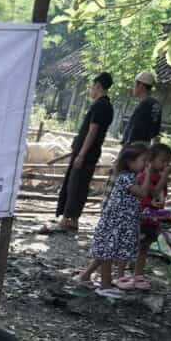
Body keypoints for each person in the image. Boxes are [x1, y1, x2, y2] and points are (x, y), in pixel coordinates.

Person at [75, 142, 153, 297]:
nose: (146, 164)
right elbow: (143, 193)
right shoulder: (126, 178)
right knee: (108, 254)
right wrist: (149, 174)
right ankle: (104, 285)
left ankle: (84, 276)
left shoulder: (129, 176)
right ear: (130, 162)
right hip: (115, 223)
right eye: (143, 160)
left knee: (105, 252)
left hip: (119, 222)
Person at [42, 72, 115, 234]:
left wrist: (81, 154)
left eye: (92, 86)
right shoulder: (109, 107)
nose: (91, 90)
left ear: (98, 86)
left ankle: (66, 219)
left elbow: (92, 131)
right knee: (81, 185)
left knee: (75, 184)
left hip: (86, 151)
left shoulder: (99, 105)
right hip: (93, 151)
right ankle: (73, 220)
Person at [116, 142, 171, 291]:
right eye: (163, 160)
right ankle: (120, 275)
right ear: (150, 160)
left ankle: (138, 274)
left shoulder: (159, 176)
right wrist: (164, 177)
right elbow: (153, 193)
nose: (166, 164)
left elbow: (161, 198)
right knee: (129, 245)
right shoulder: (144, 176)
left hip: (152, 219)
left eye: (169, 161)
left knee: (144, 247)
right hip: (140, 217)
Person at [121, 71, 162, 146]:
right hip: (146, 145)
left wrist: (127, 145)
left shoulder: (144, 105)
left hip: (134, 147)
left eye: (135, 85)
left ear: (141, 86)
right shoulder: (156, 104)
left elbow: (135, 128)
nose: (133, 88)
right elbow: (156, 130)